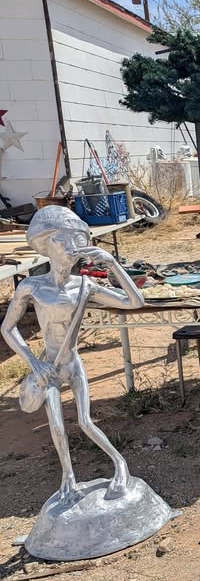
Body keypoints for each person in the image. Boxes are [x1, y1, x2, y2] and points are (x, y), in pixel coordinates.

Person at [1, 206, 146, 503]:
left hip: (72, 362)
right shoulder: (32, 286)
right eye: (59, 240)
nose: (67, 247)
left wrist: (112, 264)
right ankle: (68, 477)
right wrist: (32, 362)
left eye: (72, 240)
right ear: (45, 245)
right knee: (56, 424)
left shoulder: (85, 286)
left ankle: (120, 465)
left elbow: (135, 301)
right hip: (47, 366)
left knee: (85, 421)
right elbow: (8, 328)